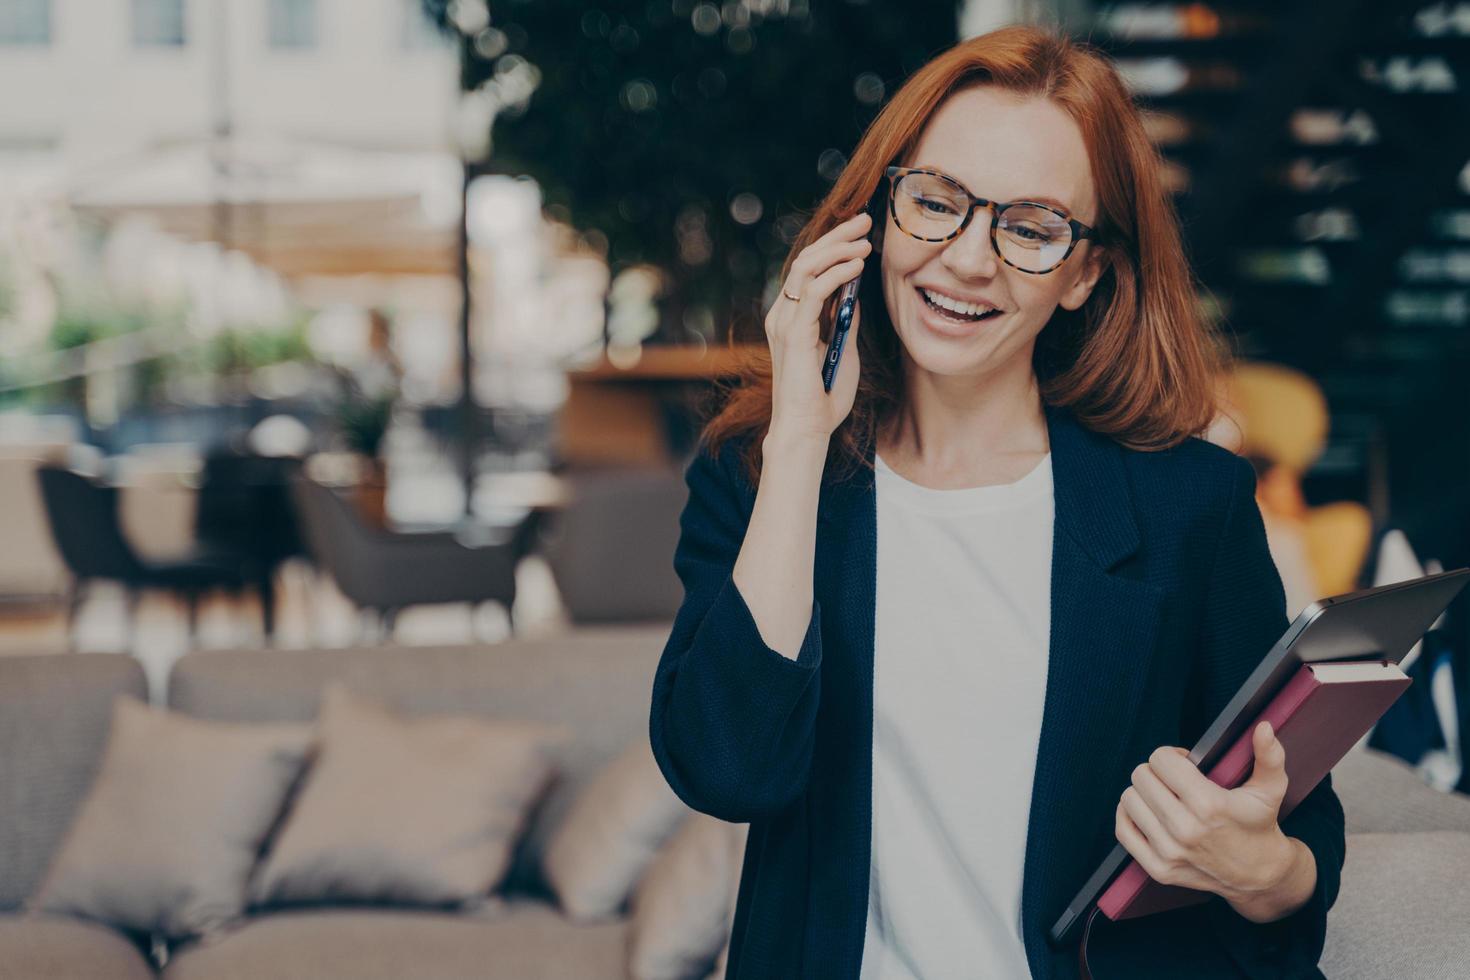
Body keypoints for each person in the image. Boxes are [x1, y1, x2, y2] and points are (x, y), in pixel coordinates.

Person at [648, 24, 1344, 980]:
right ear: (881, 215)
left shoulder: (1193, 507)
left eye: (1029, 226)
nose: (967, 260)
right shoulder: (759, 473)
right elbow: (728, 770)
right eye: (936, 202)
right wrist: (802, 439)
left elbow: (1300, 843)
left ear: (1085, 273)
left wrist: (1262, 869)